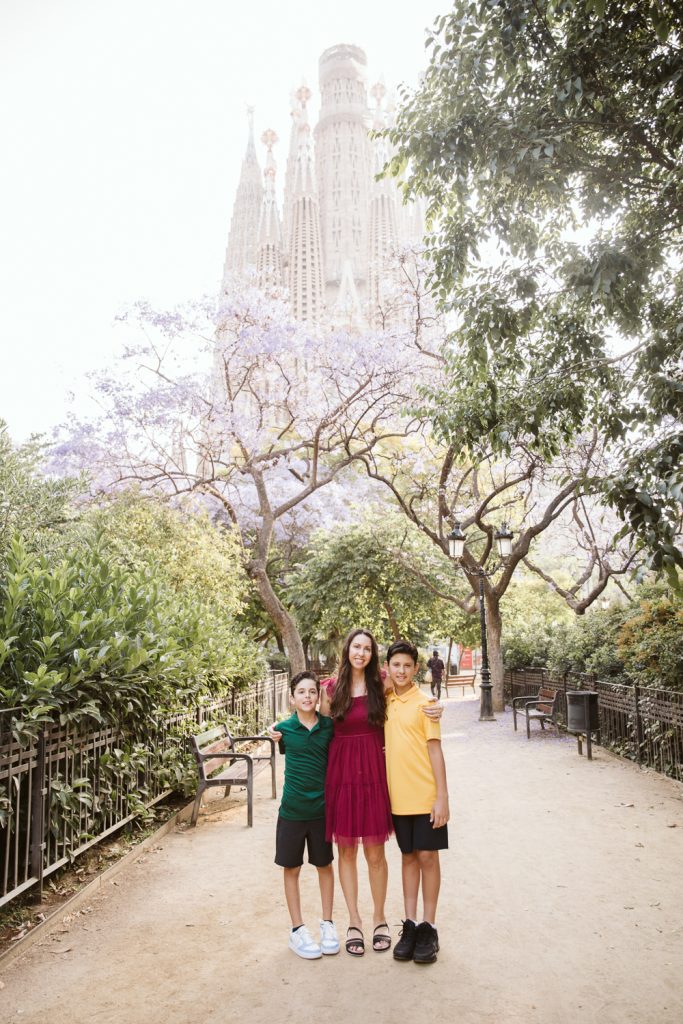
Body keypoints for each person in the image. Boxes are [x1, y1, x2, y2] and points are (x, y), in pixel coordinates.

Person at [384, 639, 449, 965]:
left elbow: (435, 750)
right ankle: (409, 925)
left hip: (425, 796)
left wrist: (442, 797)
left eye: (407, 665)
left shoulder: (427, 703)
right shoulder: (384, 701)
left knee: (427, 857)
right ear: (388, 668)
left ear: (416, 669)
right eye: (396, 665)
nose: (401, 671)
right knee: (408, 857)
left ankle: (429, 926)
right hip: (397, 799)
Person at [274, 671, 339, 960]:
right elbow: (280, 743)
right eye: (301, 692)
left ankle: (327, 923)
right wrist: (275, 735)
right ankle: (297, 929)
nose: (307, 696)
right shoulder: (284, 730)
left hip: (322, 812)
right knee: (292, 869)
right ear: (292, 698)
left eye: (312, 691)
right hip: (291, 812)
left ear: (318, 696)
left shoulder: (328, 727)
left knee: (324, 865)